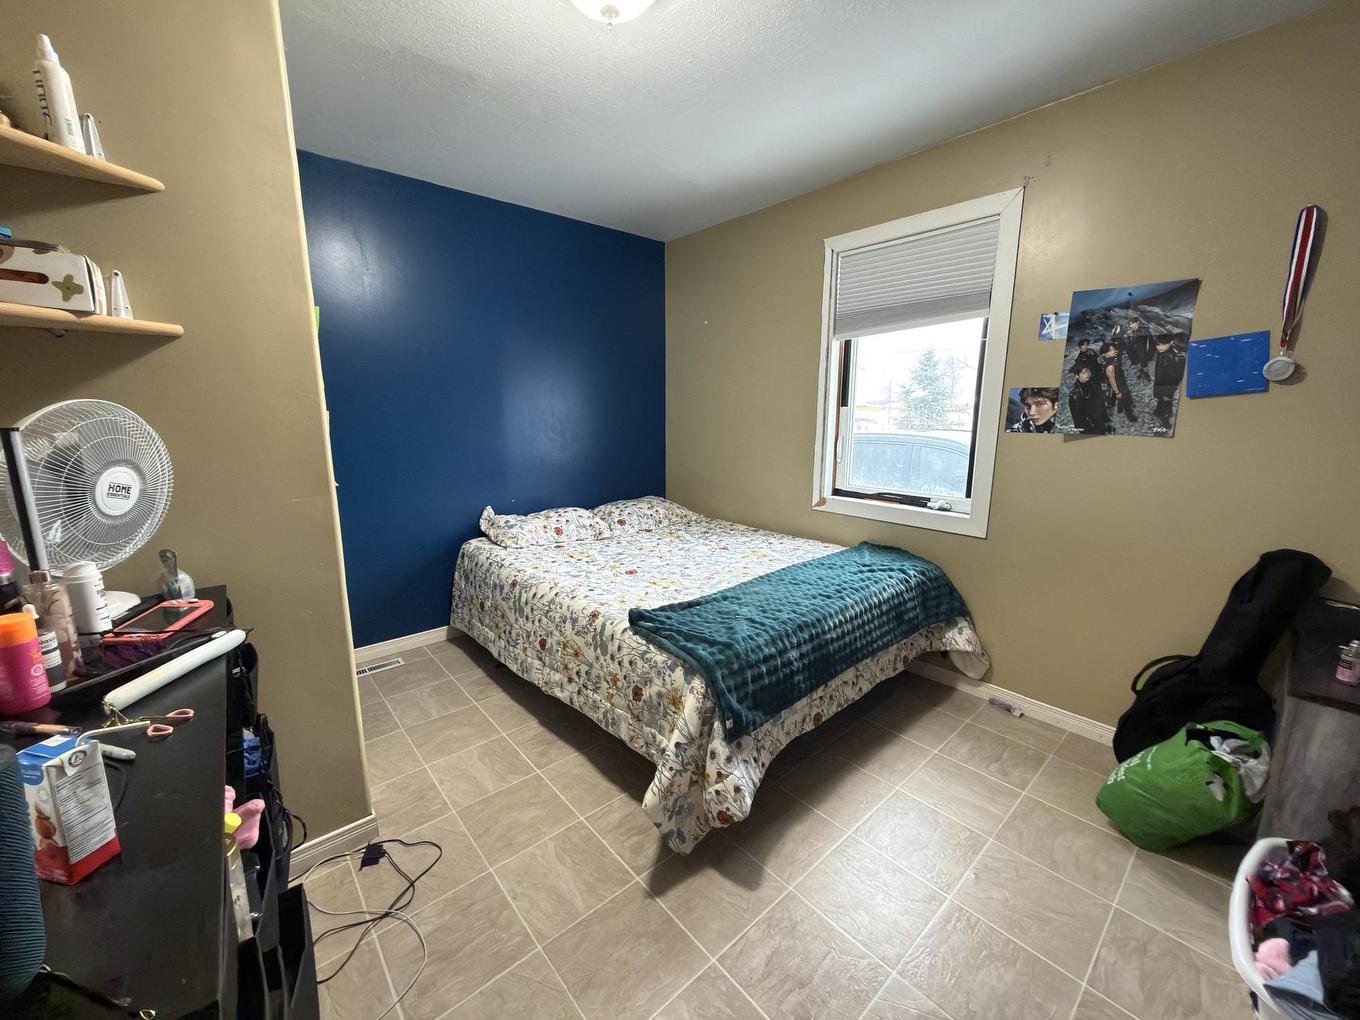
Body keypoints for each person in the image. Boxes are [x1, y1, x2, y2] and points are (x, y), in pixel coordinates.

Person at [1152, 333, 1187, 428]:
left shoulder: (1176, 358)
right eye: (1157, 344)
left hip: (1167, 388)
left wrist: (1168, 393)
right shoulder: (1161, 352)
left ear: (1170, 343)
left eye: (1162, 344)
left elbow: (1176, 378)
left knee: (1167, 405)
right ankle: (1159, 411)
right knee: (1160, 399)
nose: (1158, 347)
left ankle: (1166, 423)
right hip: (1159, 383)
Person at [1100, 342, 1138, 423]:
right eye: (1111, 350)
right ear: (1105, 353)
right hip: (1118, 384)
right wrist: (1117, 392)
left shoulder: (1111, 357)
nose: (1114, 351)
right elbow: (1112, 380)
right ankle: (1130, 415)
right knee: (1124, 397)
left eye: (1113, 349)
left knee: (1125, 396)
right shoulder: (1110, 367)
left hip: (1121, 379)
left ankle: (1120, 408)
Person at [1067, 364, 1109, 434]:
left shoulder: (1093, 383)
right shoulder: (1075, 396)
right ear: (1077, 375)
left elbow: (1100, 403)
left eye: (1088, 371)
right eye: (1083, 373)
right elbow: (1077, 419)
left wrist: (1105, 419)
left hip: (1099, 420)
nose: (1087, 374)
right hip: (1089, 427)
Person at [1124, 314, 1154, 381]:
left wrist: (1149, 352)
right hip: (1136, 350)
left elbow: (1150, 342)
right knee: (1138, 363)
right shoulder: (1133, 331)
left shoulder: (1144, 331)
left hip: (1143, 350)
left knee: (1144, 363)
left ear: (1137, 322)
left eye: (1131, 324)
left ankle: (1146, 375)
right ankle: (1141, 373)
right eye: (1129, 324)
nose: (1130, 326)